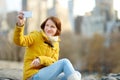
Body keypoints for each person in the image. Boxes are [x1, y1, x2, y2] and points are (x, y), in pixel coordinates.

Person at [13, 11, 81, 80]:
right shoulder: (36, 35)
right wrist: (20, 25)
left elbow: (53, 62)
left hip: (48, 76)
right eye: (47, 25)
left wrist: (41, 60)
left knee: (77, 74)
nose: (48, 29)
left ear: (57, 30)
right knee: (65, 62)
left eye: (52, 27)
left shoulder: (56, 44)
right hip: (33, 76)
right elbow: (19, 41)